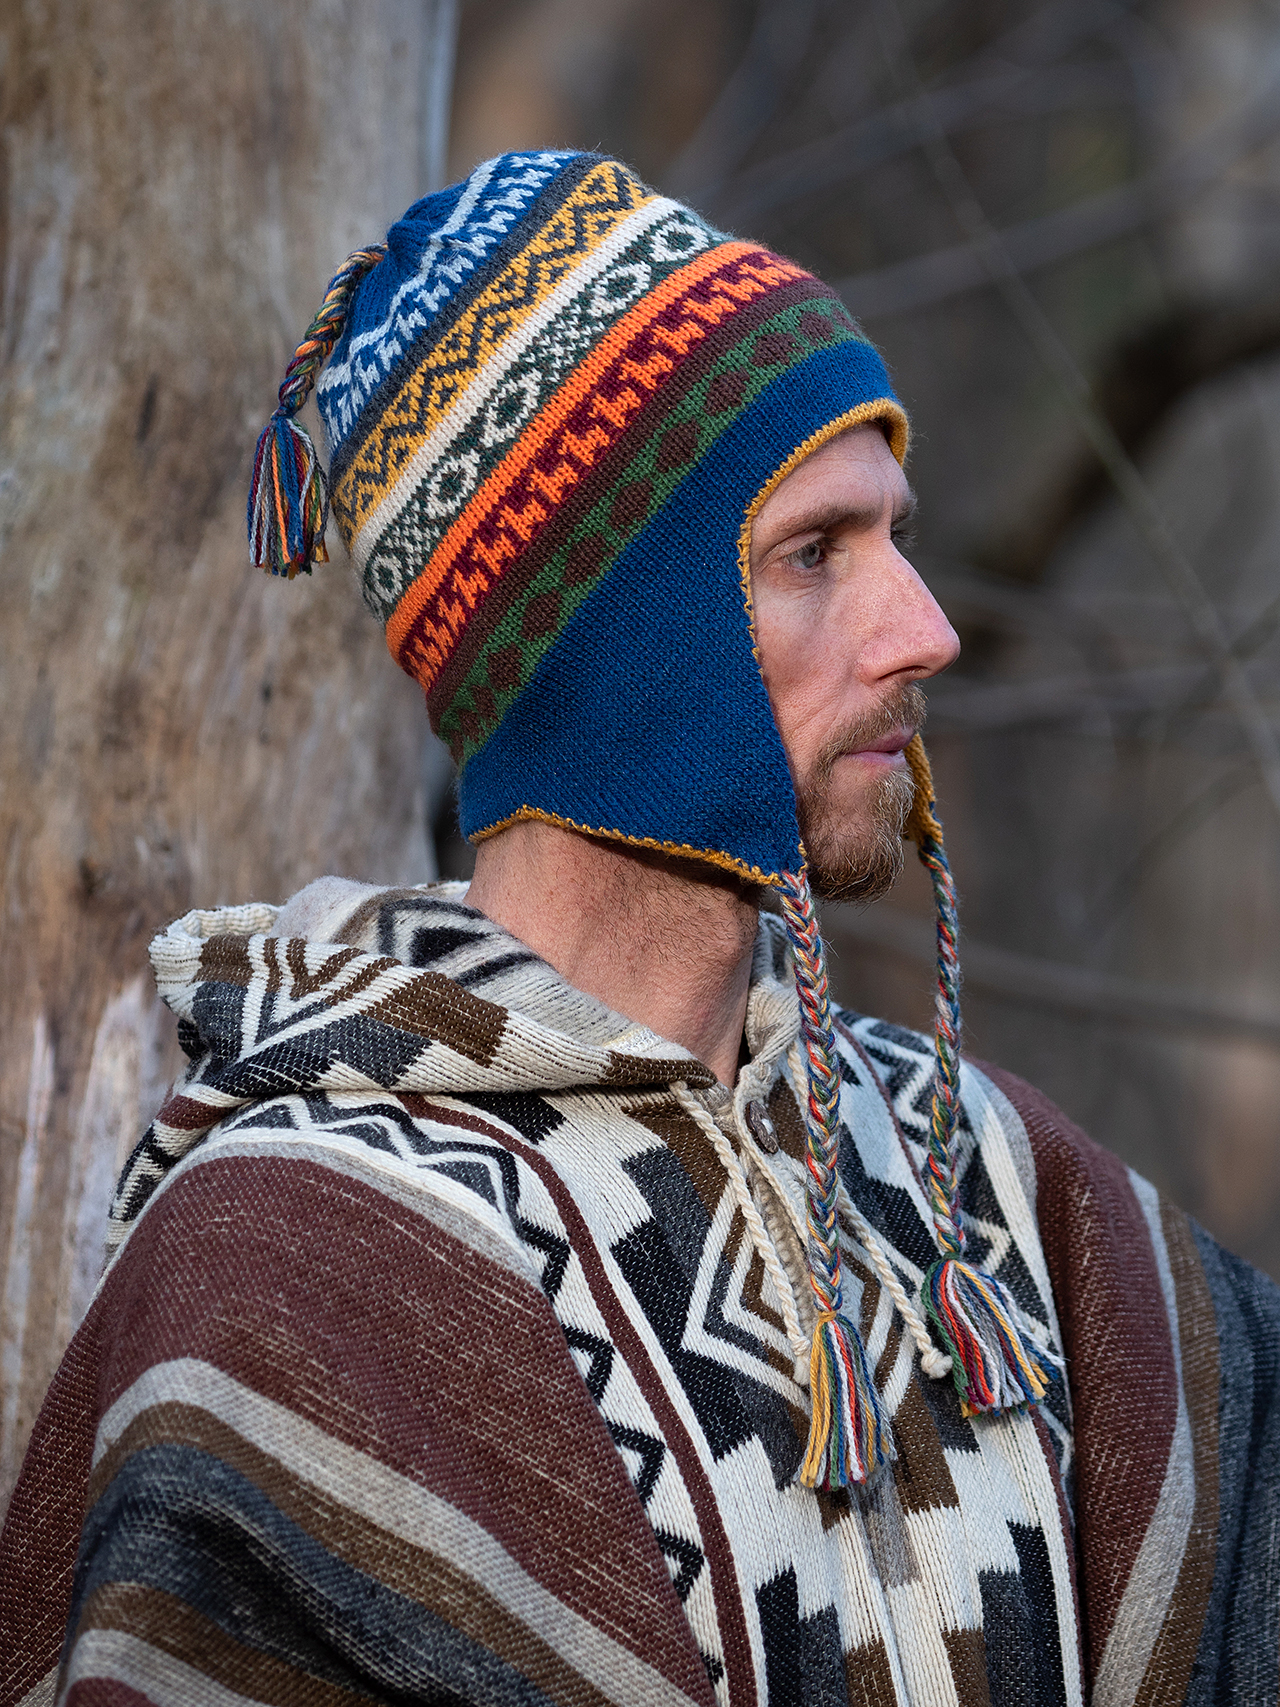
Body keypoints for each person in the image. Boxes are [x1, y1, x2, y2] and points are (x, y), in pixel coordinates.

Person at [3, 149, 1278, 1707]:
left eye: (898, 535)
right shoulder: (297, 1267)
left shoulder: (988, 1188)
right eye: (815, 553)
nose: (926, 629)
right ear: (616, 653)